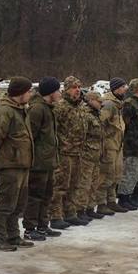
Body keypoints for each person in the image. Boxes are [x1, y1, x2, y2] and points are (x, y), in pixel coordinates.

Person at [0, 76, 35, 251]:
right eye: (28, 91)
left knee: (18, 204)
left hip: (23, 164)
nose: (30, 94)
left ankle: (13, 236)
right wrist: (5, 156)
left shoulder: (21, 110)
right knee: (6, 203)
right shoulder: (5, 111)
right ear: (20, 93)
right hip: (10, 165)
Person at [24, 77, 61, 239]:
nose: (60, 94)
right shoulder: (37, 109)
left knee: (46, 195)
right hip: (38, 162)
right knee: (34, 196)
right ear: (50, 92)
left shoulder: (48, 108)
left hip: (48, 161)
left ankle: (42, 224)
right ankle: (30, 228)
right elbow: (30, 135)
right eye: (57, 91)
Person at [50, 75, 89, 227]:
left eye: (79, 87)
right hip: (64, 153)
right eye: (74, 87)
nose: (77, 90)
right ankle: (55, 216)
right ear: (66, 89)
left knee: (74, 184)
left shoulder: (80, 106)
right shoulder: (60, 107)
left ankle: (70, 212)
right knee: (60, 186)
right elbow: (53, 129)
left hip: (78, 152)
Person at [96, 78, 128, 215]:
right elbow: (100, 123)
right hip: (109, 145)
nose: (125, 89)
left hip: (118, 144)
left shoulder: (119, 104)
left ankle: (111, 201)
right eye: (123, 87)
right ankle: (101, 203)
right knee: (106, 174)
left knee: (116, 174)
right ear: (116, 89)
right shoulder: (109, 104)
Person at [117, 78, 138, 209]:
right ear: (137, 89)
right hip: (131, 143)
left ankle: (129, 195)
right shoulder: (129, 103)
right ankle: (123, 198)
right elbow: (126, 124)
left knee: (135, 172)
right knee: (129, 171)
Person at [76, 88, 106, 219]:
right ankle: (80, 210)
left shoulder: (96, 114)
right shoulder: (85, 114)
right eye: (98, 101)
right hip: (87, 155)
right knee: (84, 183)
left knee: (94, 182)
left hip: (96, 154)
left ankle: (90, 207)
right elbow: (81, 135)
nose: (101, 104)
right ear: (91, 101)